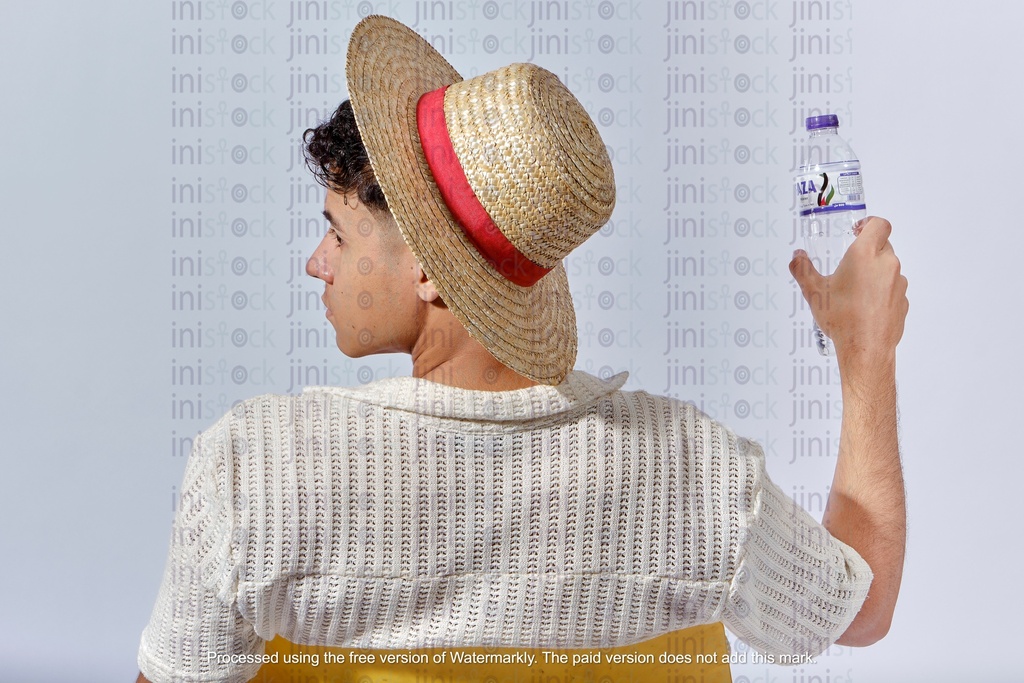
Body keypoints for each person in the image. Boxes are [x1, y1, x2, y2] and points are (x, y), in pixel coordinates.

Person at [136, 15, 908, 683]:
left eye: (338, 232)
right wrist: (865, 351)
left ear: (431, 272)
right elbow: (860, 607)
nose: (317, 261)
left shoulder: (252, 468)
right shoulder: (697, 472)